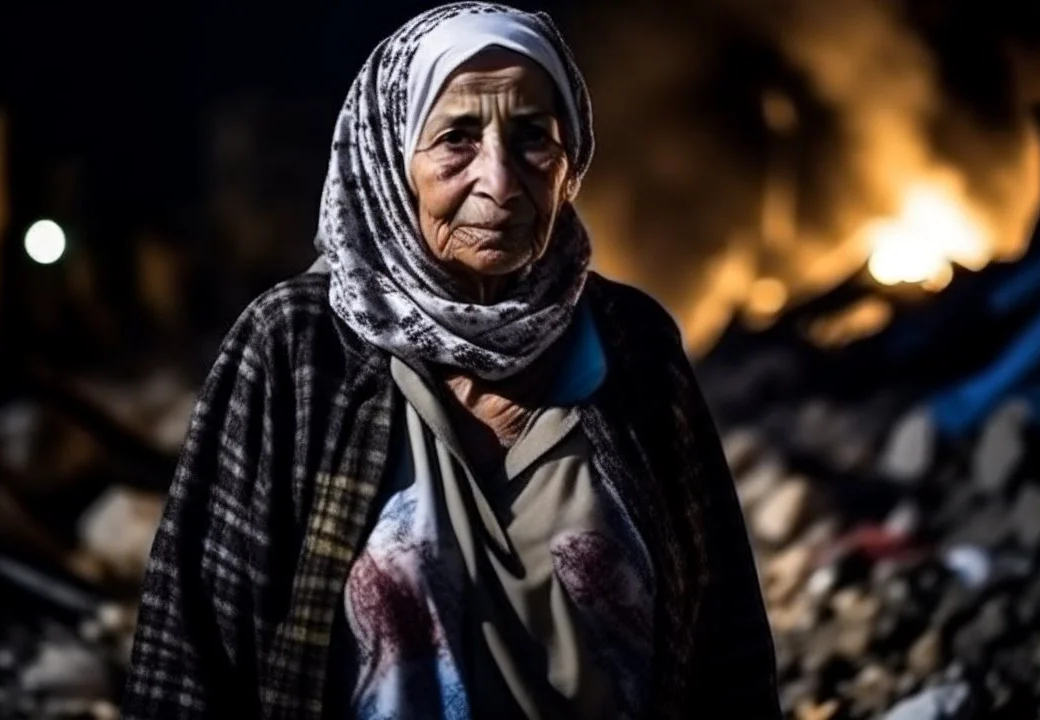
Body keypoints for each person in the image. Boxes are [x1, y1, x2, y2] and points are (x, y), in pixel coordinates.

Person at [121, 3, 779, 718]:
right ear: (390, 157)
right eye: (457, 138)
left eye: (533, 138)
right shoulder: (297, 347)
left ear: (572, 164)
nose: (498, 182)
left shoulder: (633, 345)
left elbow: (725, 648)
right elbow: (190, 658)